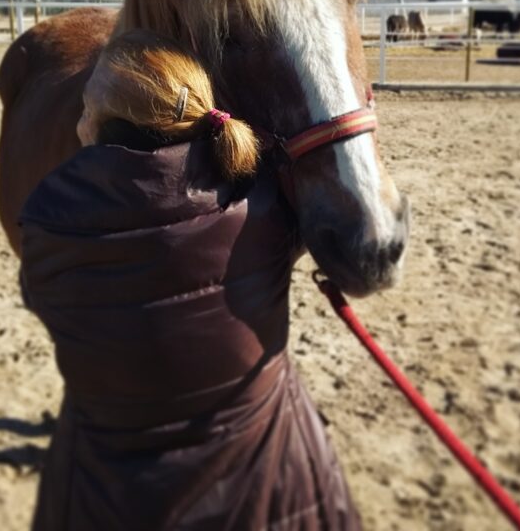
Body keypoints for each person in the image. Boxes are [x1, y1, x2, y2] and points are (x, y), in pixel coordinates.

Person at [19, 29, 361, 530]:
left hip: (111, 497)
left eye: (88, 105)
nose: (79, 119)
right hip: (274, 485)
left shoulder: (46, 224)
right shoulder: (265, 209)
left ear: (111, 121)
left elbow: (40, 297)